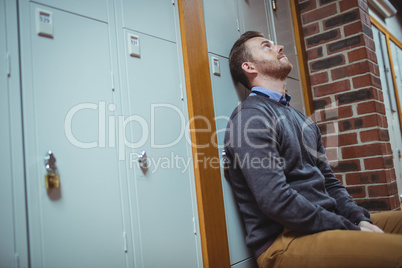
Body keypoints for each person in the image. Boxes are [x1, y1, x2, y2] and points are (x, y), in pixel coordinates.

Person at [224, 31, 402, 268]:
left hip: (328, 224)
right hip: (284, 242)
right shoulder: (250, 117)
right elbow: (276, 201)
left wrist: (357, 218)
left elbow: (329, 182)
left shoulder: (301, 119)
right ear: (249, 67)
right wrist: (350, 228)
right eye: (266, 46)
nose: (279, 47)